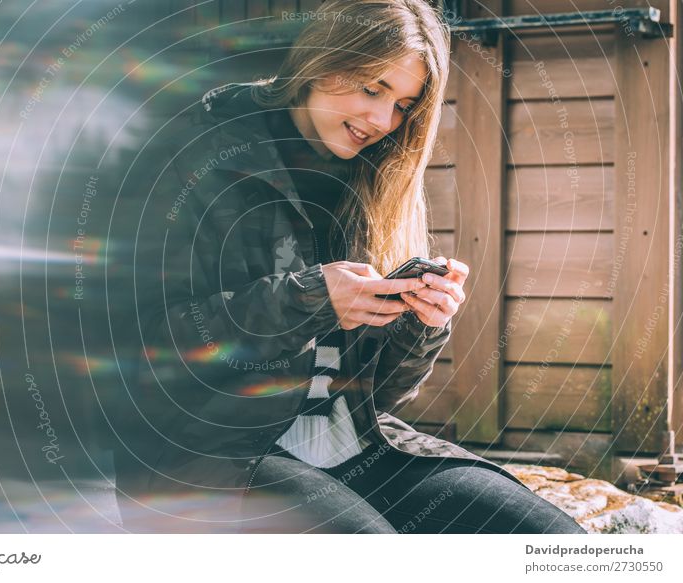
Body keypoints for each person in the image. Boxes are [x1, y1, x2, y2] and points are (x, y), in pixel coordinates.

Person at [111, 0, 586, 534]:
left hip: (350, 445)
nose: (383, 122)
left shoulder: (368, 177)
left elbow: (377, 397)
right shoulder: (192, 153)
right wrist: (306, 300)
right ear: (321, 61)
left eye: (404, 105)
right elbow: (139, 353)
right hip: (212, 455)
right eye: (372, 89)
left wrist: (420, 325)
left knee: (552, 541)